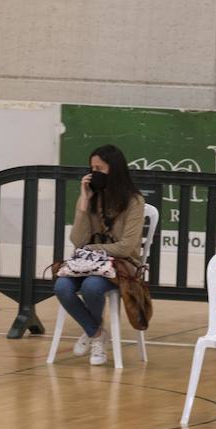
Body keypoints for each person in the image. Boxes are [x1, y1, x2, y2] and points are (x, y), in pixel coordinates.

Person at [55, 144, 146, 365]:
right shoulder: (91, 197)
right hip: (89, 264)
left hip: (122, 265)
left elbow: (126, 248)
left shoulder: (134, 202)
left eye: (100, 168)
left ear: (114, 169)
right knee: (62, 287)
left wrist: (92, 249)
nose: (94, 172)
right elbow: (77, 241)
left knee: (92, 287)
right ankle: (96, 333)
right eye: (92, 167)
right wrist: (84, 203)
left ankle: (92, 332)